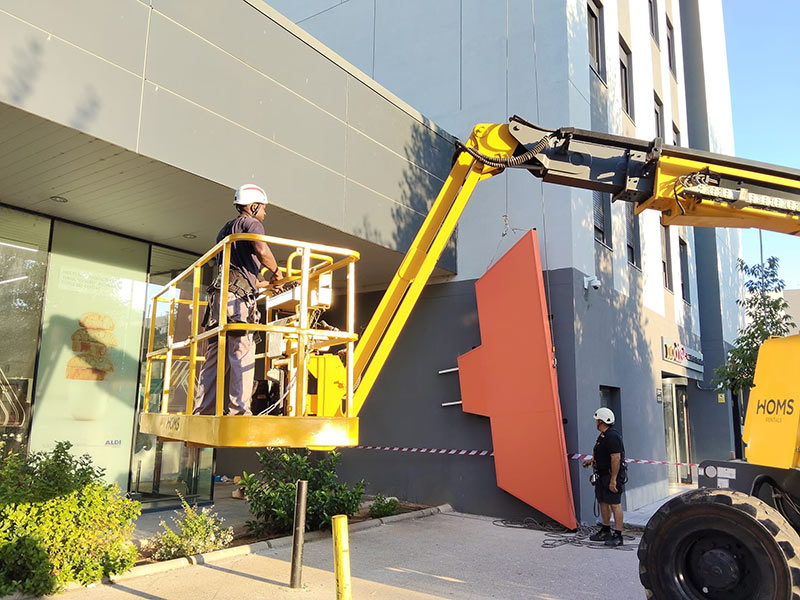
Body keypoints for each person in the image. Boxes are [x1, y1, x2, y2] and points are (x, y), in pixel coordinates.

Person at [193, 184, 283, 416]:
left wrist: (265, 285)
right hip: (238, 301)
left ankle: (203, 409)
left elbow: (238, 273)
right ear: (253, 206)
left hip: (220, 300)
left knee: (215, 356)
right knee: (241, 352)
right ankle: (239, 411)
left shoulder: (225, 230)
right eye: (263, 207)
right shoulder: (252, 224)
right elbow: (262, 251)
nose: (265, 212)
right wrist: (276, 272)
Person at [582, 407, 626, 546]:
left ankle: (618, 535)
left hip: (611, 475)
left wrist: (613, 480)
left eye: (597, 420)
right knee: (603, 502)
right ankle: (605, 530)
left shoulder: (612, 437)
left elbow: (615, 458)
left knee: (615, 504)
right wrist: (592, 461)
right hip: (601, 475)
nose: (596, 423)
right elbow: (600, 452)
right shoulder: (603, 436)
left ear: (601, 421)